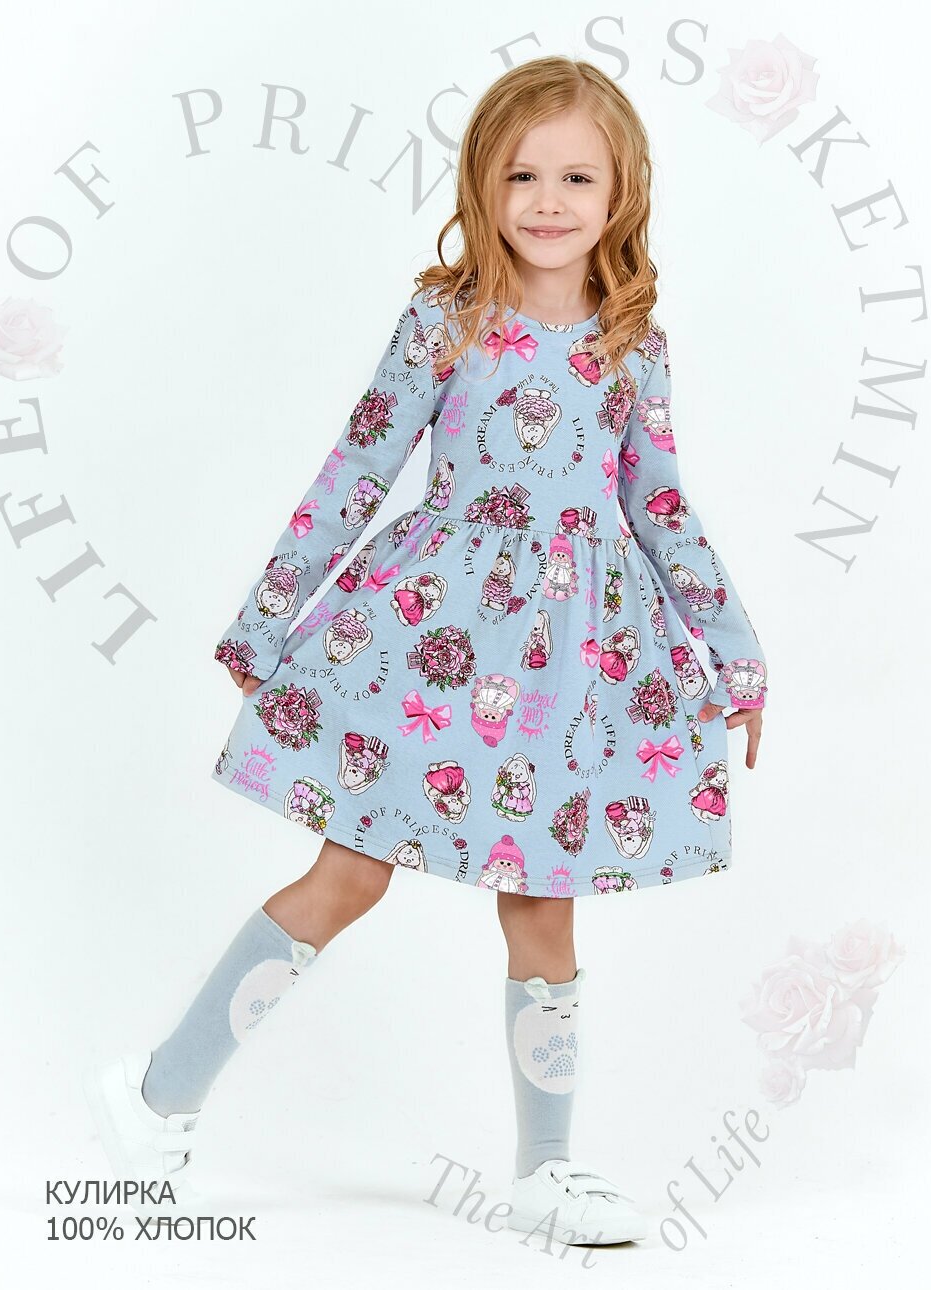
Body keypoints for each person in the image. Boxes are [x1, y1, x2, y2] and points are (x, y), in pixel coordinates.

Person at [83, 55, 767, 1246]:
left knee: (543, 906)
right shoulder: (444, 322)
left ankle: (544, 1172)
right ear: (480, 184)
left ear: (621, 193)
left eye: (576, 177)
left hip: (568, 670)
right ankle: (154, 1098)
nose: (547, 200)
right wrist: (269, 613)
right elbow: (358, 467)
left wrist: (735, 656)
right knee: (349, 875)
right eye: (521, 175)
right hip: (429, 645)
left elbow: (659, 509)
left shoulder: (632, 344)